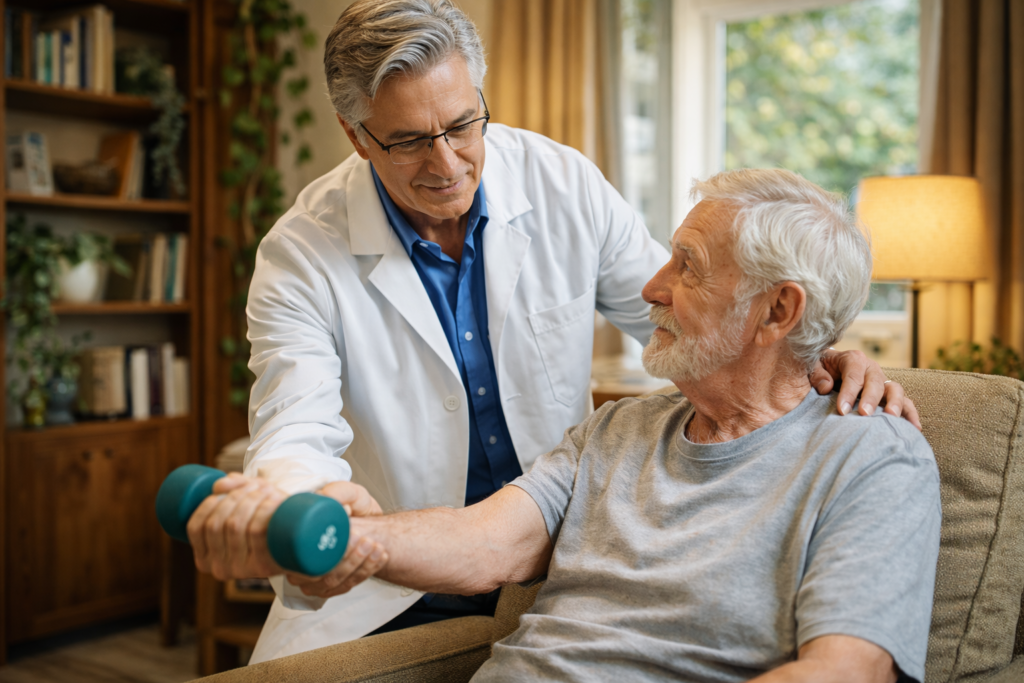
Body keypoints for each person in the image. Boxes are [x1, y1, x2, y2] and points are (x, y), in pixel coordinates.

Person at [186, 0, 920, 664]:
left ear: (479, 98)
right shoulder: (302, 250)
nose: (447, 163)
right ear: (355, 135)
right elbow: (294, 420)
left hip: (545, 558)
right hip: (397, 576)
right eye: (409, 141)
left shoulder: (561, 183)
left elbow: (687, 317)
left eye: (463, 124)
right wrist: (297, 510)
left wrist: (817, 354)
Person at [291, 169, 943, 682]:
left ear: (778, 310)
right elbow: (486, 541)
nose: (651, 287)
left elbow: (846, 670)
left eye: (687, 265)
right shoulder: (617, 428)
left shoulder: (872, 458)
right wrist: (349, 539)